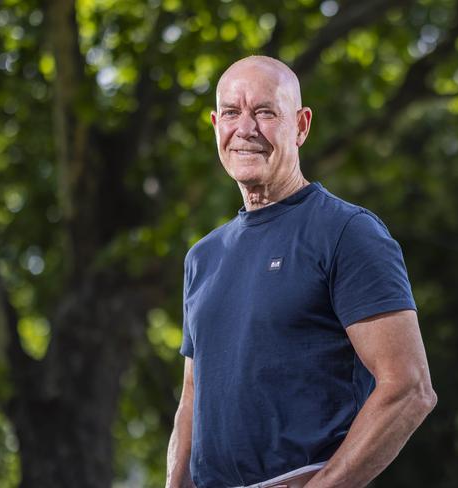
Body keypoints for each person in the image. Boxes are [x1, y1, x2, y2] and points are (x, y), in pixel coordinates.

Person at [165, 55, 437, 488]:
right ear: (216, 124)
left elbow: (409, 389)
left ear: (302, 125)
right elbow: (193, 398)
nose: (246, 128)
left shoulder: (346, 232)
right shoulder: (203, 256)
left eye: (265, 112)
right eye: (232, 113)